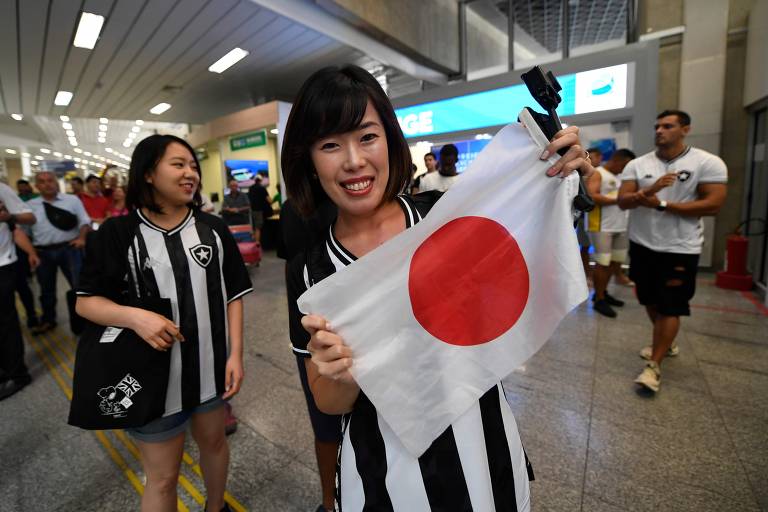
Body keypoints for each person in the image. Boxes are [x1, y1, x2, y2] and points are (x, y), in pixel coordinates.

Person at [282, 65, 592, 511]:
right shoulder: (310, 271)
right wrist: (340, 372)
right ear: (308, 161)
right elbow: (328, 404)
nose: (353, 160)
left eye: (367, 136)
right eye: (330, 145)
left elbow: (532, 257)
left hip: (487, 457)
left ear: (390, 138)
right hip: (381, 479)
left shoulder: (447, 218)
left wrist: (559, 174)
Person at [75, 134, 252, 512]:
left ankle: (215, 507)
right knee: (163, 477)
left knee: (216, 445)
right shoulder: (117, 234)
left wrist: (235, 354)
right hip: (152, 380)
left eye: (193, 166)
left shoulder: (213, 229)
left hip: (210, 371)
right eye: (178, 164)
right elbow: (86, 303)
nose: (190, 173)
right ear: (149, 173)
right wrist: (133, 317)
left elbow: (234, 294)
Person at [618, 110, 727, 393]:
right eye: (657, 126)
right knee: (649, 300)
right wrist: (647, 192)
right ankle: (666, 342)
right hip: (643, 245)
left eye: (667, 126)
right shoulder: (638, 165)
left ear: (685, 129)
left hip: (680, 248)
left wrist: (663, 205)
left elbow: (713, 205)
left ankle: (654, 365)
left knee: (670, 305)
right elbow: (623, 202)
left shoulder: (706, 162)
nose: (659, 131)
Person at [27, 171, 90, 334]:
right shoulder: (31, 205)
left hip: (70, 249)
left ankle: (85, 322)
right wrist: (31, 251)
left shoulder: (72, 200)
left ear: (57, 183)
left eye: (50, 180)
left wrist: (82, 238)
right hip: (43, 252)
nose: (47, 184)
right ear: (36, 185)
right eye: (42, 181)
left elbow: (85, 221)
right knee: (46, 289)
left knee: (79, 287)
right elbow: (22, 231)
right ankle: (48, 320)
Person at [586, 149, 636, 317]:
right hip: (601, 226)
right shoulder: (598, 173)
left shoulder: (620, 177)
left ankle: (604, 293)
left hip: (619, 225)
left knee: (614, 263)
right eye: (624, 165)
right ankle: (598, 299)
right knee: (603, 264)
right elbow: (592, 196)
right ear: (617, 160)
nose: (625, 169)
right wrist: (619, 200)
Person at [0, 183, 37, 401]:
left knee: (5, 323)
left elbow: (29, 218)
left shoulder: (2, 190)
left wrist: (7, 217)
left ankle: (18, 374)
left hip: (3, 266)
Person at [14, 179, 40, 327]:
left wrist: (31, 252)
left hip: (11, 256)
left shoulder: (8, 196)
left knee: (22, 286)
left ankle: (31, 314)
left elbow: (17, 230)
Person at [247, 175, 273, 244]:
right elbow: (269, 200)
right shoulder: (262, 188)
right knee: (258, 227)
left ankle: (255, 241)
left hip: (253, 210)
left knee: (254, 227)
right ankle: (257, 242)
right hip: (260, 211)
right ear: (260, 180)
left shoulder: (251, 188)